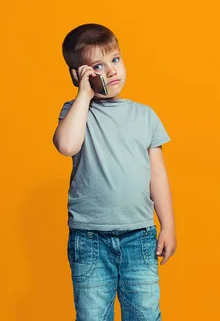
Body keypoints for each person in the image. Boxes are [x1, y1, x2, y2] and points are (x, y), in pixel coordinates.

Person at [52, 23, 177, 320]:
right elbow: (67, 145)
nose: (111, 71)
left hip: (139, 235)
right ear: (78, 75)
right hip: (90, 238)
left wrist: (168, 224)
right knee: (93, 315)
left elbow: (157, 175)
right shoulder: (76, 112)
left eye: (115, 60)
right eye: (98, 65)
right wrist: (84, 95)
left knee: (145, 313)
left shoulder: (145, 115)